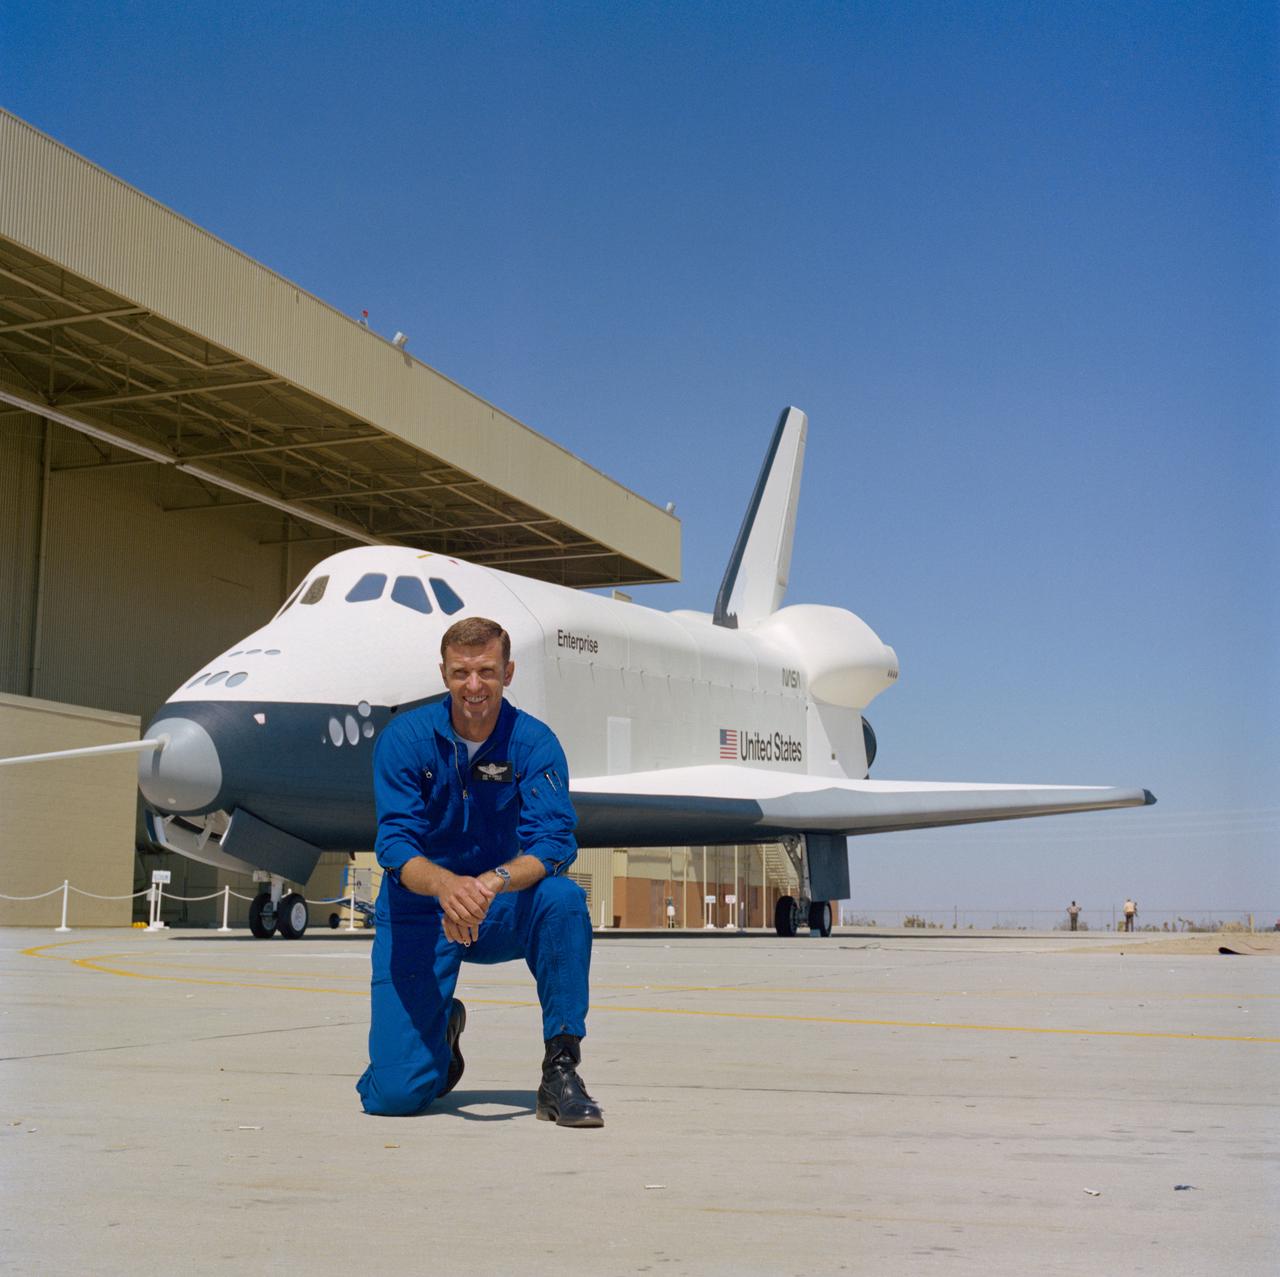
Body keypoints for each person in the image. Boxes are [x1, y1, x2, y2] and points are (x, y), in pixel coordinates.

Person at [356, 616, 602, 1127]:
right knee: (395, 1097)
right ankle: (440, 1032)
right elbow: (395, 845)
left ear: (508, 672)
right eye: (461, 672)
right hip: (420, 909)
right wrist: (446, 887)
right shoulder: (405, 740)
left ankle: (560, 1070)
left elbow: (554, 842)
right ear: (443, 674)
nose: (474, 686)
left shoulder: (533, 743)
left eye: (487, 671)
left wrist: (491, 882)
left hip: (498, 906)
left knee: (562, 899)